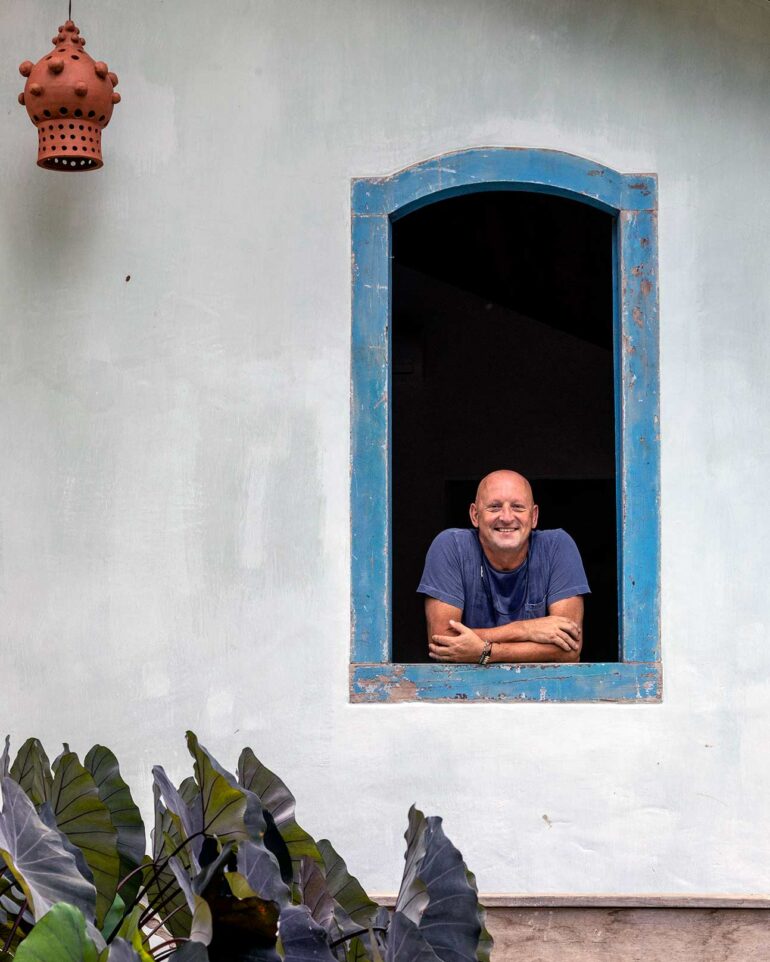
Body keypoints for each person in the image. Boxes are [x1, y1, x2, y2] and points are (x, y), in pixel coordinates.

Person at [417, 470, 590, 664]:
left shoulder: (557, 547)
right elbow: (443, 643)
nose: (507, 517)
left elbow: (569, 650)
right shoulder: (451, 547)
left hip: (542, 690)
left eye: (517, 507)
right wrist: (527, 629)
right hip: (462, 691)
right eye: (494, 507)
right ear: (475, 515)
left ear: (533, 516)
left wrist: (485, 652)